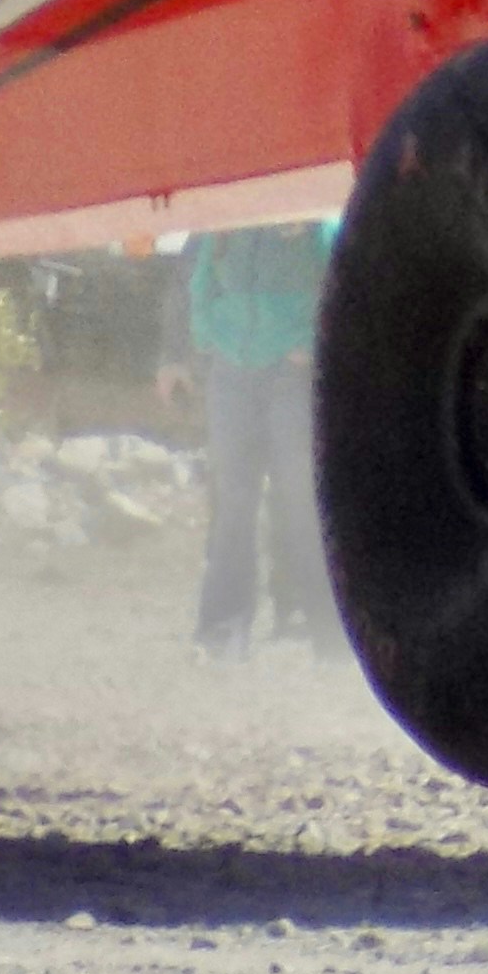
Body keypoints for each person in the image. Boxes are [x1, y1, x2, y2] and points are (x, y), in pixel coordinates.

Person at [186, 218, 337, 656]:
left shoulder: (319, 231)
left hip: (292, 376)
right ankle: (222, 631)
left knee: (302, 502)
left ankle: (332, 636)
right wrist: (209, 335)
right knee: (233, 504)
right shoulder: (227, 225)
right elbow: (202, 284)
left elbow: (344, 293)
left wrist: (311, 344)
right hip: (231, 376)